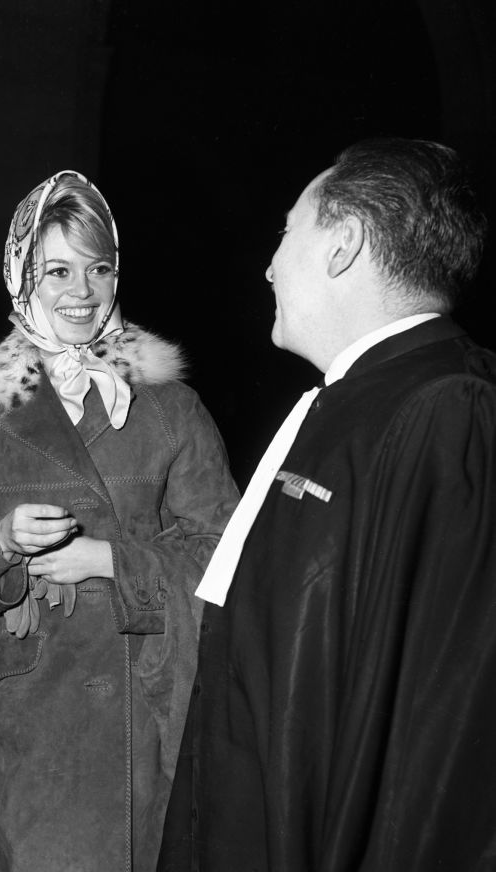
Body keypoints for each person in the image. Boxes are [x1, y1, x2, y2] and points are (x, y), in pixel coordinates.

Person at [165, 138, 496, 872]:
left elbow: (440, 747)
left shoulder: (449, 410)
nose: (270, 263)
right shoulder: (359, 397)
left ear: (343, 244)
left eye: (288, 232)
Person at [0, 170, 238, 872]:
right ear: (20, 273)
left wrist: (112, 560)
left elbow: (224, 551)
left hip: (145, 713)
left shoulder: (171, 407)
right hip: (29, 724)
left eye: (99, 268)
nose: (82, 292)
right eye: (57, 270)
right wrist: (0, 544)